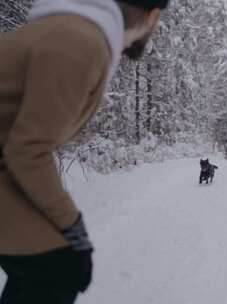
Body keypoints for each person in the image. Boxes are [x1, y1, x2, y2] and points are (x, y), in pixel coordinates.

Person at [0, 0, 168, 303]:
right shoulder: (82, 43)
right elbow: (28, 150)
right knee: (59, 269)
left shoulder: (71, 31)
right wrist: (72, 227)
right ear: (152, 16)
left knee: (50, 269)